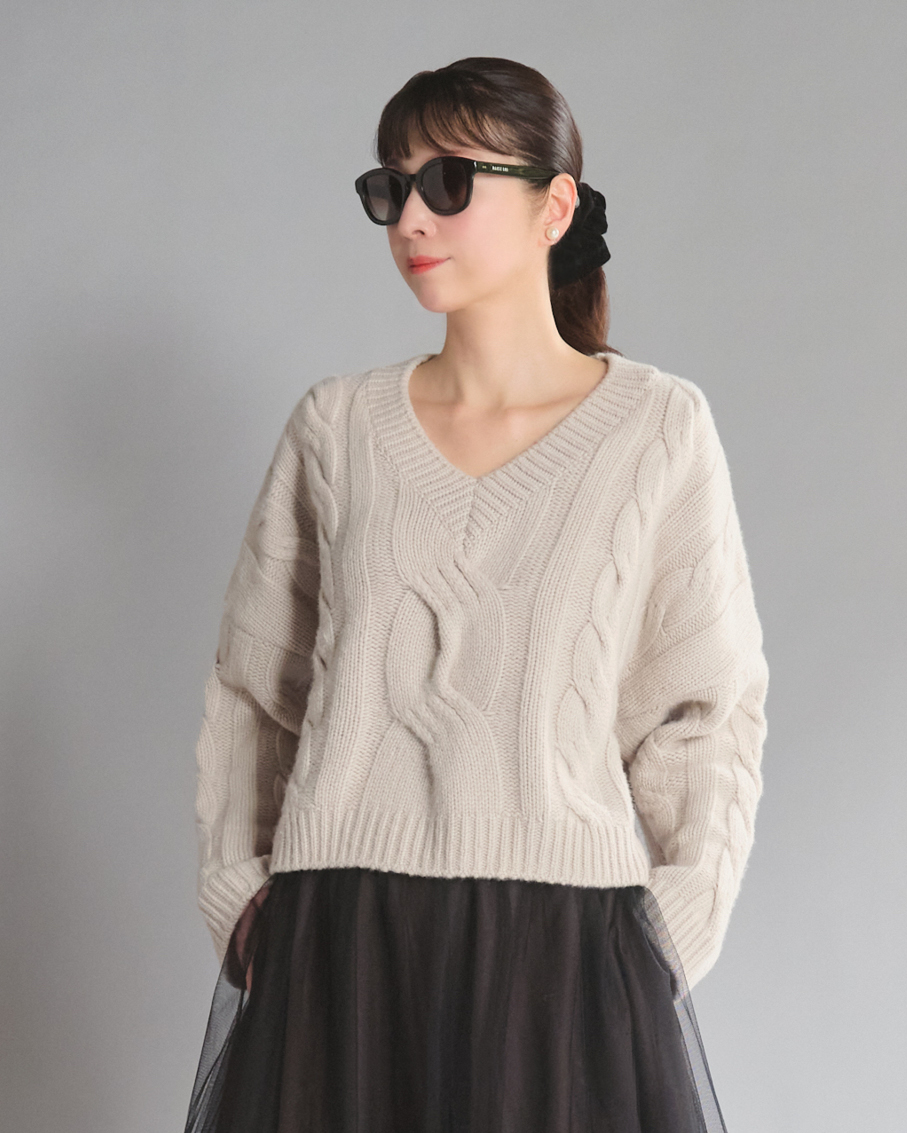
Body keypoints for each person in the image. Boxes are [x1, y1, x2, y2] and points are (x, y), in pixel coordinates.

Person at [182, 56, 769, 1133]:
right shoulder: (336, 428)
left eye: (450, 181)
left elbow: (709, 706)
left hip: (563, 952)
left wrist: (672, 928)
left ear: (555, 206)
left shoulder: (657, 429)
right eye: (391, 187)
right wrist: (241, 894)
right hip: (340, 945)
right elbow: (254, 689)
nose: (411, 216)